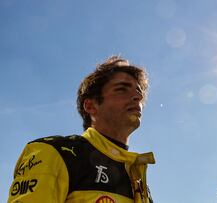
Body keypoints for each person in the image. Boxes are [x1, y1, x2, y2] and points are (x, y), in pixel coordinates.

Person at [8, 56, 155, 203]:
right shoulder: (54, 152)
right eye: (122, 89)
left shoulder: (138, 181)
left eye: (139, 91)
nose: (138, 96)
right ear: (91, 106)